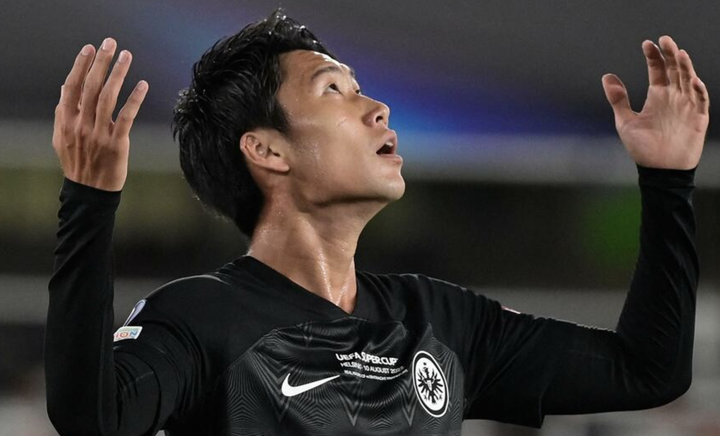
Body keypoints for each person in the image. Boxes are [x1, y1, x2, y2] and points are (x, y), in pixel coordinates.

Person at [44, 8, 708, 436]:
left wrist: (669, 180)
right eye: (334, 89)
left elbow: (647, 370)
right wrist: (90, 201)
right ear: (267, 150)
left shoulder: (441, 322)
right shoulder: (200, 317)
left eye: (360, 87)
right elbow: (94, 418)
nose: (378, 108)